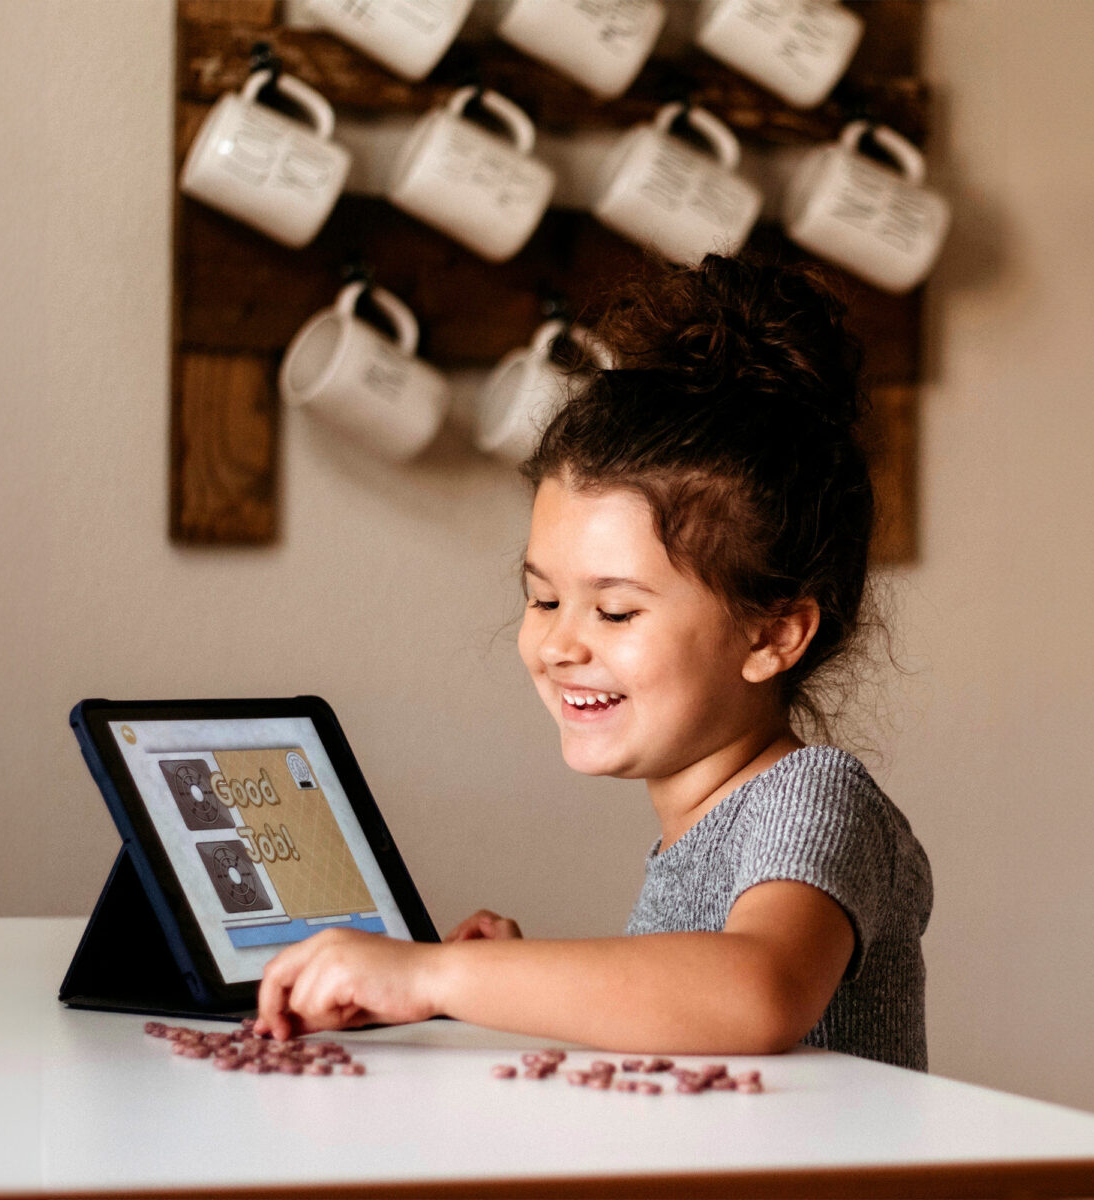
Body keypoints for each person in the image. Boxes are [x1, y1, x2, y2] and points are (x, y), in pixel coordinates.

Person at [255, 253, 933, 1071]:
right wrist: (502, 972)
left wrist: (443, 976)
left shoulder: (817, 800)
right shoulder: (699, 828)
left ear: (772, 636)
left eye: (615, 610)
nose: (561, 643)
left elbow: (754, 995)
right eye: (543, 599)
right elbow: (688, 1018)